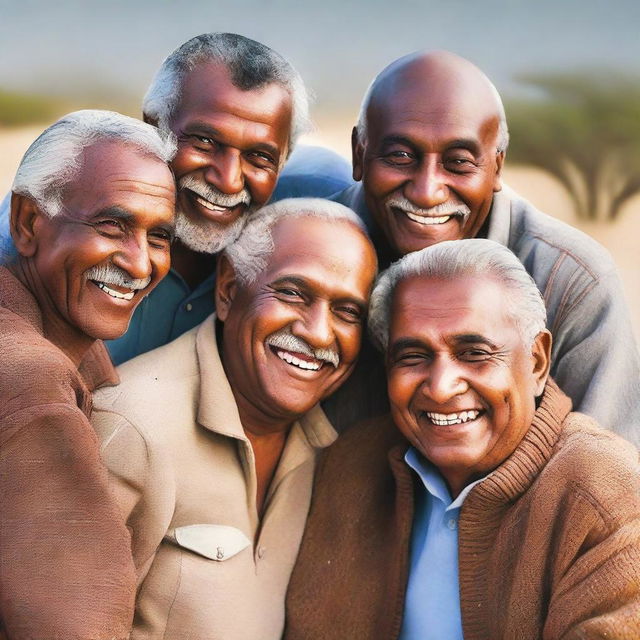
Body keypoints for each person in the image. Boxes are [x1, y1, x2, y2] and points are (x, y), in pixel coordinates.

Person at [285, 239, 640, 640]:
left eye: (474, 353)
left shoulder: (605, 493)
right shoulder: (352, 467)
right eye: (413, 356)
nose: (440, 388)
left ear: (537, 361)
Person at [90, 198, 377, 640]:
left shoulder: (333, 447)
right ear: (227, 291)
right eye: (293, 293)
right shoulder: (132, 427)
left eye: (347, 312)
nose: (318, 332)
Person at [324, 50, 639, 443]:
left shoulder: (571, 280)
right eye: (401, 156)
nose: (427, 191)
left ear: (497, 168)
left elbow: (608, 473)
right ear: (359, 153)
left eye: (458, 162)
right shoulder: (306, 251)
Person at [0, 110, 176, 640]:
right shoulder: (30, 384)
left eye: (160, 236)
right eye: (112, 225)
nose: (140, 263)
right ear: (28, 223)